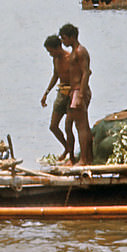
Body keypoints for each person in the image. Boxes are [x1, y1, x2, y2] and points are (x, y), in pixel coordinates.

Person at [59, 23, 93, 165]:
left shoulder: (80, 51)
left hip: (79, 90)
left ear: (72, 37)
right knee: (69, 125)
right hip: (74, 91)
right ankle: (77, 158)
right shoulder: (74, 51)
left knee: (81, 126)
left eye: (65, 38)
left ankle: (85, 159)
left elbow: (86, 72)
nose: (63, 41)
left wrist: (80, 95)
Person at [41, 35, 75, 163]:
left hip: (72, 93)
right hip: (61, 92)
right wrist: (46, 93)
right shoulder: (55, 59)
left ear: (58, 47)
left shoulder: (70, 57)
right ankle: (67, 148)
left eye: (51, 51)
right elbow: (55, 75)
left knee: (68, 127)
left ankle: (71, 156)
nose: (50, 54)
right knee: (53, 126)